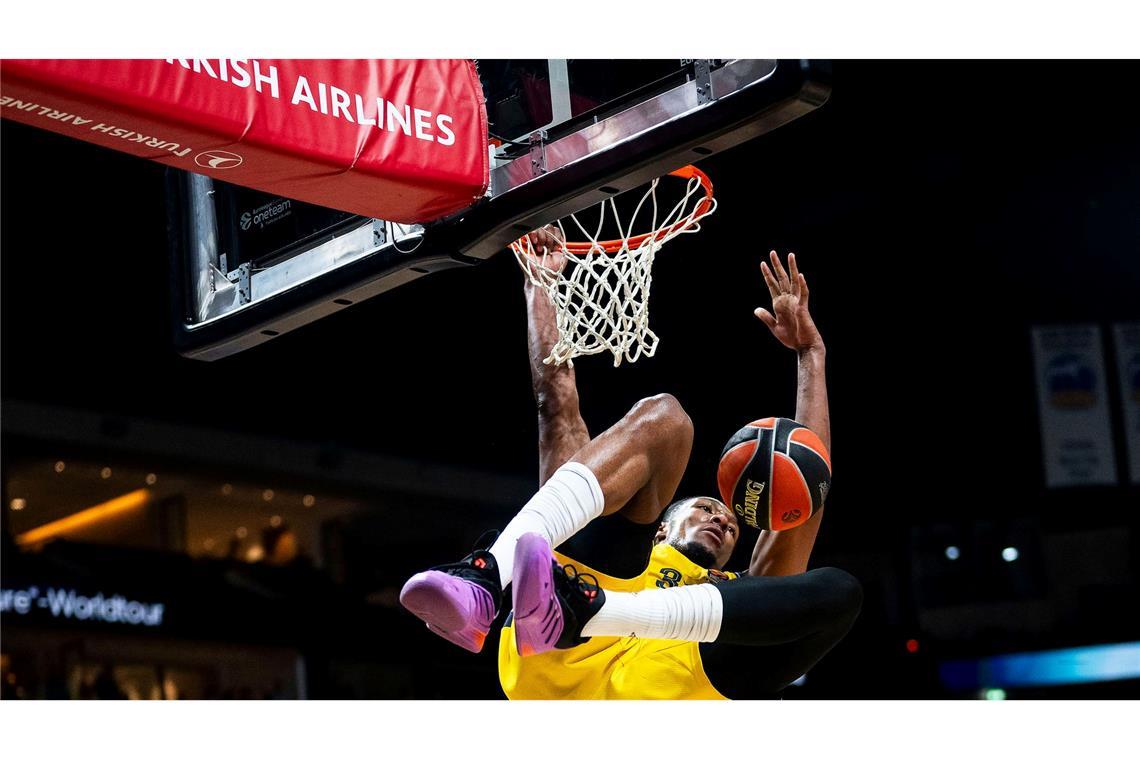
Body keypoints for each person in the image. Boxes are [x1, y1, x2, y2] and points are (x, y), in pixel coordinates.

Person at [400, 240, 861, 699]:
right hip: (555, 662)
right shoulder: (600, 546)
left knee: (838, 592)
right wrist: (539, 282)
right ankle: (484, 580)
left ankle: (594, 611)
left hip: (663, 692)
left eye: (732, 525)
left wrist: (811, 355)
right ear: (662, 530)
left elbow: (807, 489)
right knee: (666, 418)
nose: (723, 518)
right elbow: (556, 403)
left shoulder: (738, 592)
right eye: (705, 508)